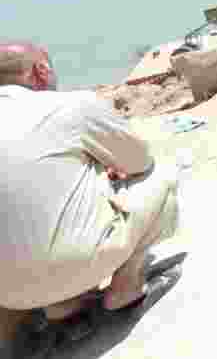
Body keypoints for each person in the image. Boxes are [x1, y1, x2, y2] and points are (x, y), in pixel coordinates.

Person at [0, 42, 180, 343]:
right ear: (41, 71)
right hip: (79, 261)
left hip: (8, 296)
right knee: (159, 175)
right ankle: (126, 289)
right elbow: (140, 161)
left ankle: (63, 308)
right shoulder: (70, 105)